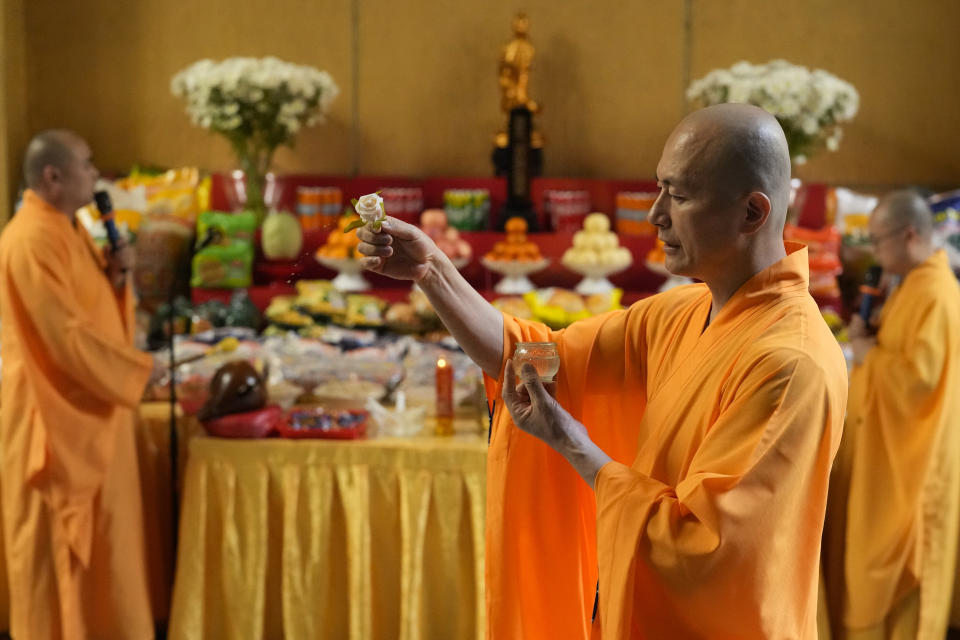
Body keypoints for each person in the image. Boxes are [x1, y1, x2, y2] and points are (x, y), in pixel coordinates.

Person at [357, 103, 848, 638]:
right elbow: (535, 359)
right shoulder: (684, 312)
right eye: (659, 188)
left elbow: (701, 549)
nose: (655, 215)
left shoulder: (787, 363)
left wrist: (575, 447)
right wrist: (434, 272)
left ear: (753, 213)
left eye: (679, 197)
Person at [0, 130, 161, 639]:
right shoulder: (30, 239)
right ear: (54, 177)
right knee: (59, 559)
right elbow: (64, 336)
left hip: (93, 409)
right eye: (88, 166)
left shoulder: (66, 229)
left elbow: (87, 312)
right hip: (53, 417)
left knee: (108, 552)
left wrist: (116, 279)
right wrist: (137, 374)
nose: (97, 176)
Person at [821, 191, 960, 639]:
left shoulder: (936, 294)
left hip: (910, 466)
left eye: (878, 241)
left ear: (910, 235)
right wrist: (875, 337)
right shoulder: (913, 283)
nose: (873, 252)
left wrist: (869, 354)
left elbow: (919, 383)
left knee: (894, 578)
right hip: (885, 452)